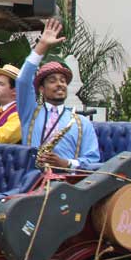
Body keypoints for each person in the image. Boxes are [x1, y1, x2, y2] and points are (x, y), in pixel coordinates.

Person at [18, 18, 99, 170]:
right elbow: (23, 80)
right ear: (41, 88)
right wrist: (41, 46)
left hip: (66, 186)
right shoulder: (30, 113)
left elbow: (93, 162)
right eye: (52, 80)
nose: (60, 84)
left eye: (63, 80)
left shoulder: (82, 123)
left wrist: (66, 163)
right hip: (31, 182)